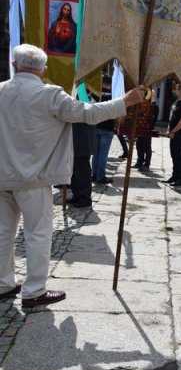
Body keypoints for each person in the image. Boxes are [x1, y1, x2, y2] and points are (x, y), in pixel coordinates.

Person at [0, 44, 145, 307]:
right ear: (43, 69)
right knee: (38, 233)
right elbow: (89, 114)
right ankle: (34, 290)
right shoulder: (49, 95)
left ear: (14, 65)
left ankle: (3, 283)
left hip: (2, 175)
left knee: (2, 232)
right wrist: (125, 102)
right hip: (34, 177)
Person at [162, 84, 181, 187]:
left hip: (180, 134)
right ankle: (174, 176)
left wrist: (173, 131)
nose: (174, 91)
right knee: (173, 155)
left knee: (178, 156)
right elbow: (172, 117)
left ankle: (180, 179)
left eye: (176, 89)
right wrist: (168, 130)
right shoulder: (176, 102)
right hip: (174, 133)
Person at [69, 123, 95, 208]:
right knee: (74, 171)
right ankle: (76, 195)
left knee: (82, 172)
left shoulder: (86, 109)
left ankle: (85, 198)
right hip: (75, 141)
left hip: (83, 141)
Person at [134, 90, 158, 172]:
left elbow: (153, 118)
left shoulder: (154, 106)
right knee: (139, 145)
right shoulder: (141, 103)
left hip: (148, 128)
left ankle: (147, 164)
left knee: (147, 147)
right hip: (140, 127)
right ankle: (139, 162)